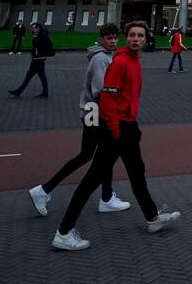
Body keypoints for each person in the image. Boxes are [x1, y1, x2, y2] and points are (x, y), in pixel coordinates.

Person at [52, 21, 181, 251]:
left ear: (146, 39)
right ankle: (64, 231)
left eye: (140, 35)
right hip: (118, 130)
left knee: (137, 173)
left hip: (129, 128)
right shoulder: (120, 62)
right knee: (92, 180)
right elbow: (108, 100)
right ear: (126, 38)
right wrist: (114, 130)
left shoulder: (134, 61)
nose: (135, 39)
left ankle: (152, 218)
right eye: (131, 35)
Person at [29, 23, 129, 217]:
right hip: (96, 112)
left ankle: (106, 197)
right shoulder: (101, 59)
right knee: (97, 155)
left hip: (93, 111)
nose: (113, 41)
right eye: (109, 38)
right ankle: (44, 190)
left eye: (115, 38)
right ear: (102, 39)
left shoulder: (107, 57)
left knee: (96, 155)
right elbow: (101, 90)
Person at [9, 22, 52, 98]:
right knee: (42, 75)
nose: (32, 29)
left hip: (38, 59)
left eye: (34, 28)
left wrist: (42, 54)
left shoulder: (42, 36)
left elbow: (44, 46)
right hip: (38, 58)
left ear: (38, 28)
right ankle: (45, 92)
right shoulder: (39, 35)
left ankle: (19, 91)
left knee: (29, 75)